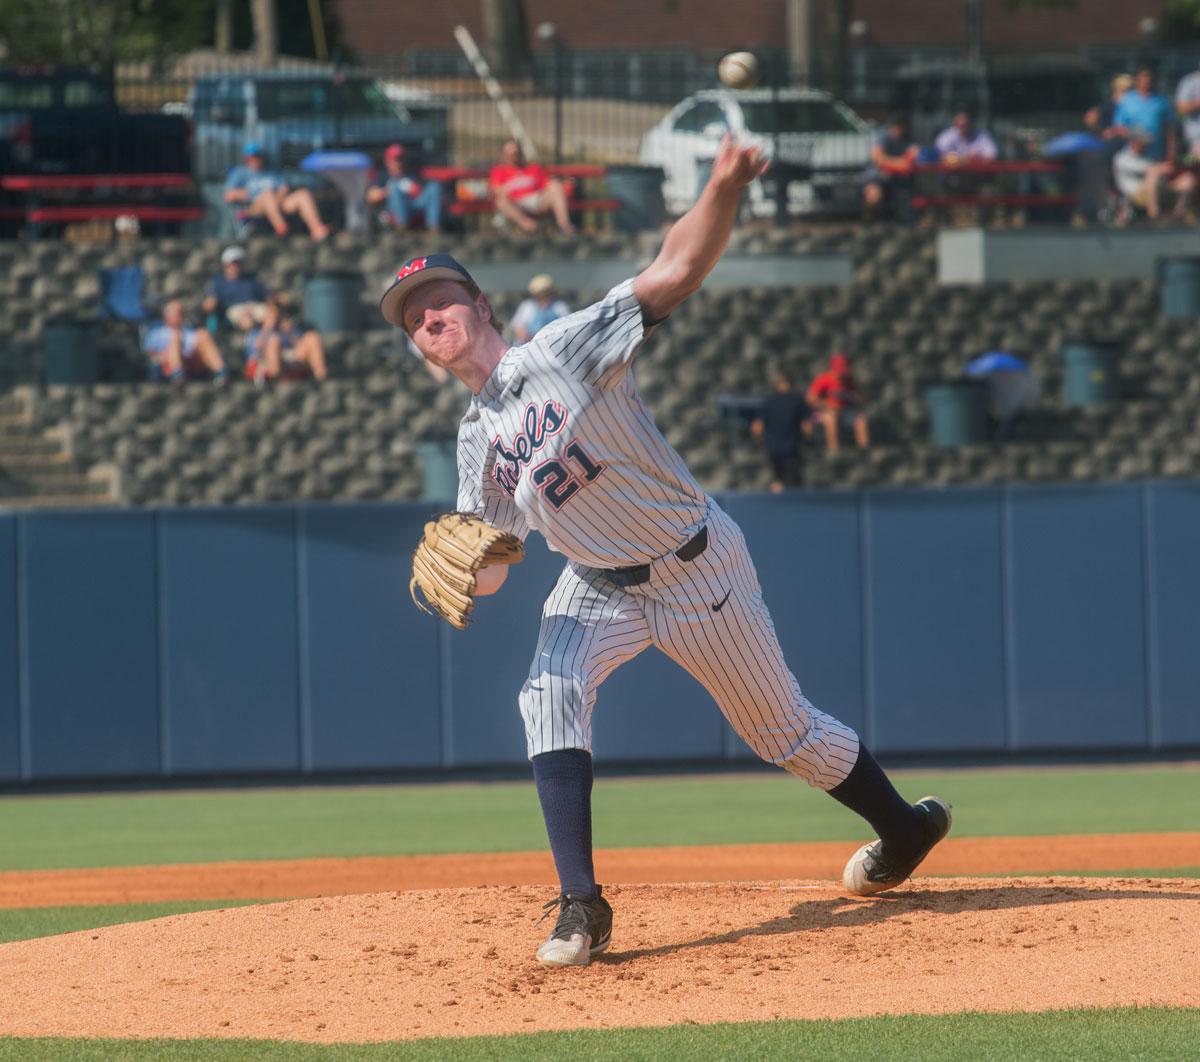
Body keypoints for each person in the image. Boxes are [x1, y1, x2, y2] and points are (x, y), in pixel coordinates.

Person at [380, 135, 951, 969]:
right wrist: (469, 567)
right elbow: (499, 569)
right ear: (418, 347)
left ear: (481, 306)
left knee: (784, 734)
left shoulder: (563, 351)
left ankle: (903, 828)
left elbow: (675, 272)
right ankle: (582, 905)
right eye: (414, 317)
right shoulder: (475, 445)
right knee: (546, 693)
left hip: (695, 569)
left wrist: (722, 188)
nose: (429, 317)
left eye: (441, 300)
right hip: (596, 584)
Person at [223, 141, 331, 241]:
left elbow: (284, 188)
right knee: (267, 195)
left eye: (258, 156)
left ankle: (317, 230)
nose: (256, 159)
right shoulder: (239, 173)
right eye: (253, 156)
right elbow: (229, 195)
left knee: (303, 194)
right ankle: (281, 228)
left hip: (278, 202)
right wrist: (250, 193)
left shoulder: (272, 170)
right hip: (254, 207)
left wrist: (278, 196)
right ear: (247, 158)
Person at [488, 139, 576, 235]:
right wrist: (503, 192)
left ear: (521, 154)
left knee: (555, 186)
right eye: (510, 154)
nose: (514, 156)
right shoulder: (499, 171)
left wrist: (564, 184)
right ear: (504, 155)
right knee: (500, 201)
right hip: (516, 203)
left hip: (537, 200)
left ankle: (564, 225)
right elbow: (496, 189)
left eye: (516, 153)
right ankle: (530, 226)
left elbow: (548, 184)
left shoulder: (533, 168)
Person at [750, 369, 812, 492]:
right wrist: (810, 443)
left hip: (773, 449)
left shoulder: (769, 401)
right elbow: (807, 427)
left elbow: (757, 428)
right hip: (792, 449)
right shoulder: (798, 401)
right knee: (794, 486)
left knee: (778, 483)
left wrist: (761, 444)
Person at [244, 294, 328, 383]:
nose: (276, 317)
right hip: (269, 362)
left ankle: (321, 376)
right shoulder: (258, 331)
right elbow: (255, 352)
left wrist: (290, 332)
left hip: (291, 359)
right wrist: (266, 329)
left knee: (312, 337)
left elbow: (301, 349)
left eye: (279, 313)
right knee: (274, 340)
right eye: (273, 313)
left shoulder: (289, 329)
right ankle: (276, 380)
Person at [142, 300, 229, 384]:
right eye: (177, 313)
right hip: (169, 363)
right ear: (166, 316)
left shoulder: (190, 331)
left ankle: (221, 373)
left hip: (193, 362)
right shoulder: (157, 333)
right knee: (176, 336)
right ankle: (178, 374)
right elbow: (149, 354)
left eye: (182, 312)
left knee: (203, 334)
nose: (181, 315)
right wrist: (163, 357)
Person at [366, 143, 444, 234]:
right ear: (387, 161)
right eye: (396, 160)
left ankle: (434, 227)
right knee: (395, 186)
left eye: (401, 159)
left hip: (414, 205)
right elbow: (370, 196)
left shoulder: (412, 174)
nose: (399, 163)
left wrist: (416, 189)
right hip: (392, 209)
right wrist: (387, 191)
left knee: (434, 186)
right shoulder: (383, 176)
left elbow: (423, 191)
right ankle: (402, 227)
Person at [861, 113, 920, 224]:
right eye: (903, 126)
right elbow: (877, 158)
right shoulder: (882, 135)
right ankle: (868, 222)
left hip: (899, 178)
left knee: (909, 196)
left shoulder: (909, 137)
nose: (905, 129)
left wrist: (906, 160)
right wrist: (898, 162)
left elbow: (913, 156)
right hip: (877, 176)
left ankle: (902, 224)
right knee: (874, 196)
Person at [807, 353, 869, 453]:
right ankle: (834, 449)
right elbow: (810, 399)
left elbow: (863, 399)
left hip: (845, 411)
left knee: (860, 419)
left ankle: (863, 449)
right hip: (824, 413)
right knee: (832, 416)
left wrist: (858, 399)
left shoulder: (850, 382)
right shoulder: (824, 379)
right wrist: (828, 405)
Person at [202, 245, 268, 336]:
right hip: (234, 309)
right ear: (225, 266)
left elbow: (265, 296)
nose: (235, 267)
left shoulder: (252, 279)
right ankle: (254, 343)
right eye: (232, 264)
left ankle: (267, 339)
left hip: (254, 306)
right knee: (246, 319)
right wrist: (210, 304)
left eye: (238, 264)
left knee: (271, 315)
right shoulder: (218, 282)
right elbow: (211, 301)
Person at [510, 274, 571, 343]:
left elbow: (567, 329)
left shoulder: (560, 307)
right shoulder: (527, 306)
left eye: (547, 294)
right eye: (541, 295)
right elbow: (519, 329)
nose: (544, 298)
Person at [933, 108, 998, 163]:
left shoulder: (982, 135)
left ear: (972, 121)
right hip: (951, 175)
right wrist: (963, 160)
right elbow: (939, 156)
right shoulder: (946, 136)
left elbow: (993, 155)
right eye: (960, 119)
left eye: (966, 120)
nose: (963, 122)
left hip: (977, 174)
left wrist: (970, 159)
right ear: (955, 122)